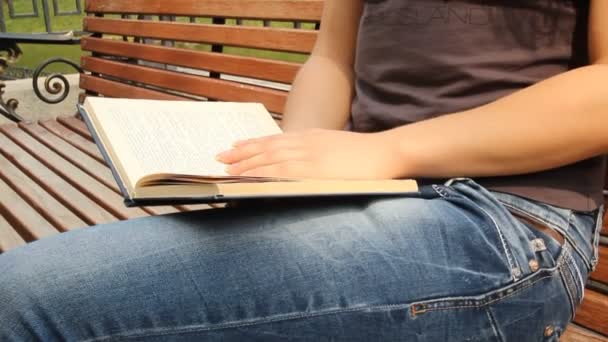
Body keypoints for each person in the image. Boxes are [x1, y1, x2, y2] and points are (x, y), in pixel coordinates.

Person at [1, 0, 606, 340]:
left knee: (21, 301)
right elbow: (329, 58)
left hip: (501, 223)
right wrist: (290, 166)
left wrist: (385, 150)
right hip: (362, 193)